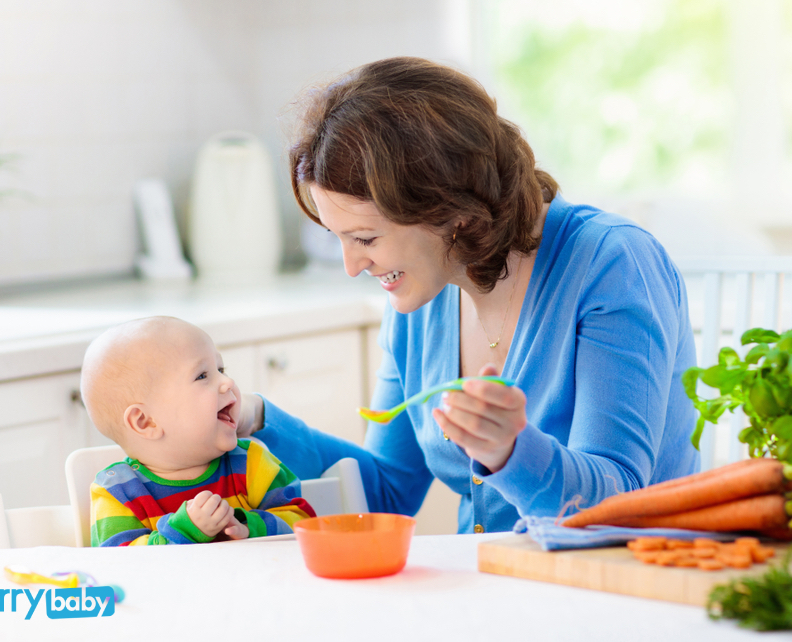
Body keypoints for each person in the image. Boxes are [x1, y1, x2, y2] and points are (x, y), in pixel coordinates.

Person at [235, 56, 699, 534]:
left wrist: (511, 451)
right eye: (338, 237)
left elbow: (618, 498)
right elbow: (386, 490)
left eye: (366, 239)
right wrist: (254, 419)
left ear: (451, 212)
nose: (353, 267)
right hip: (493, 583)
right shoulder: (421, 289)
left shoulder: (612, 263)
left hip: (624, 583)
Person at [81, 316, 314, 546]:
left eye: (221, 368)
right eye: (202, 375)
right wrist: (185, 531)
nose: (227, 382)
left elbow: (303, 523)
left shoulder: (252, 462)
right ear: (146, 422)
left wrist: (246, 525)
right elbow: (120, 565)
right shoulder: (117, 492)